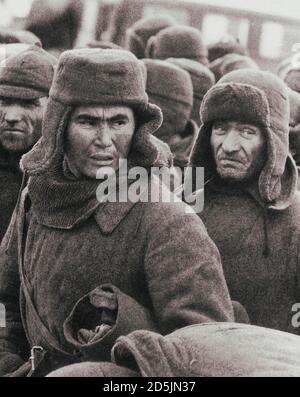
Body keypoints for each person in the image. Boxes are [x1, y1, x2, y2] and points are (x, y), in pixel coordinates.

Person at [0, 48, 234, 377]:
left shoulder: (167, 220)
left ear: (137, 128)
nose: (105, 140)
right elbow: (5, 299)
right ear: (59, 126)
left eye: (118, 122)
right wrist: (7, 358)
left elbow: (207, 355)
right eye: (88, 121)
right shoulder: (35, 198)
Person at [186, 69, 300, 334]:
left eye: (247, 132)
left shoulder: (296, 223)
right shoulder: (178, 208)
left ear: (275, 143)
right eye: (220, 129)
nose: (229, 145)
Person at [0, 45, 56, 242]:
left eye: (29, 104)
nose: (12, 116)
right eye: (4, 101)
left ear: (54, 109)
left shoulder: (67, 173)